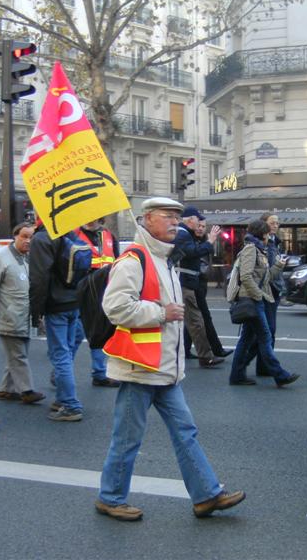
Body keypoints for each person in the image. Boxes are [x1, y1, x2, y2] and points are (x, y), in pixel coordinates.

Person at [96, 197, 245, 521]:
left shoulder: (164, 259)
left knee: (185, 431)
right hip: (140, 368)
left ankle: (206, 495)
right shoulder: (134, 260)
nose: (175, 221)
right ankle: (110, 497)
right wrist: (161, 313)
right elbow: (115, 307)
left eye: (178, 216)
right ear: (147, 219)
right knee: (128, 438)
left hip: (163, 368)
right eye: (167, 216)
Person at [29, 220, 92, 421]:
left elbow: (38, 278)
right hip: (73, 301)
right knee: (67, 351)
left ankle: (70, 405)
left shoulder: (42, 238)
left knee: (60, 354)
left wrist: (36, 311)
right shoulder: (68, 233)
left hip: (56, 304)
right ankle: (63, 396)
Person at [0, 222, 45, 405]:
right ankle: (27, 390)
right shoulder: (0, 257)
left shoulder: (28, 258)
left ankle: (6, 389)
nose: (28, 241)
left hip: (25, 316)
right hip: (9, 316)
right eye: (24, 236)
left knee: (15, 355)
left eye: (31, 237)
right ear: (15, 235)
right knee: (18, 355)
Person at [228, 219, 299, 388]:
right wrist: (258, 296)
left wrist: (278, 266)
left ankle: (237, 375)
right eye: (268, 232)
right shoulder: (251, 249)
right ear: (262, 234)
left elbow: (265, 278)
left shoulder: (260, 250)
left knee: (246, 339)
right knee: (265, 337)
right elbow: (245, 276)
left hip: (256, 299)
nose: (270, 235)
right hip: (252, 301)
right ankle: (279, 375)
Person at [173, 206, 223, 369]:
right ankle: (205, 356)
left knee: (190, 321)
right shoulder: (182, 234)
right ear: (190, 220)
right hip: (184, 283)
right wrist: (210, 241)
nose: (200, 222)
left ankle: (188, 353)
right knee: (196, 321)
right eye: (197, 219)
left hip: (186, 282)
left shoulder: (184, 233)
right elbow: (192, 252)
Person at [74, 217, 120, 387]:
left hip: (102, 289)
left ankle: (100, 373)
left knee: (99, 331)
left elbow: (116, 262)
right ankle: (59, 373)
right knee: (77, 334)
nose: (90, 219)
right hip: (81, 289)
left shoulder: (108, 235)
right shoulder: (74, 234)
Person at [184, 218, 231, 360]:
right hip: (194, 283)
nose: (200, 228)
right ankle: (215, 350)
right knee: (200, 318)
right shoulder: (194, 242)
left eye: (203, 226)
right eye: (198, 225)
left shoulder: (202, 242)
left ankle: (188, 349)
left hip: (199, 284)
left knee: (195, 319)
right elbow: (199, 264)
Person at [250, 213, 284, 377]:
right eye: (272, 223)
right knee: (266, 332)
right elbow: (266, 272)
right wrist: (279, 265)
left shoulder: (274, 242)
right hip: (267, 291)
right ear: (263, 225)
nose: (275, 225)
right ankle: (263, 367)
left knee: (262, 333)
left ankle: (260, 367)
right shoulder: (263, 244)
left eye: (277, 223)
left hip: (274, 290)